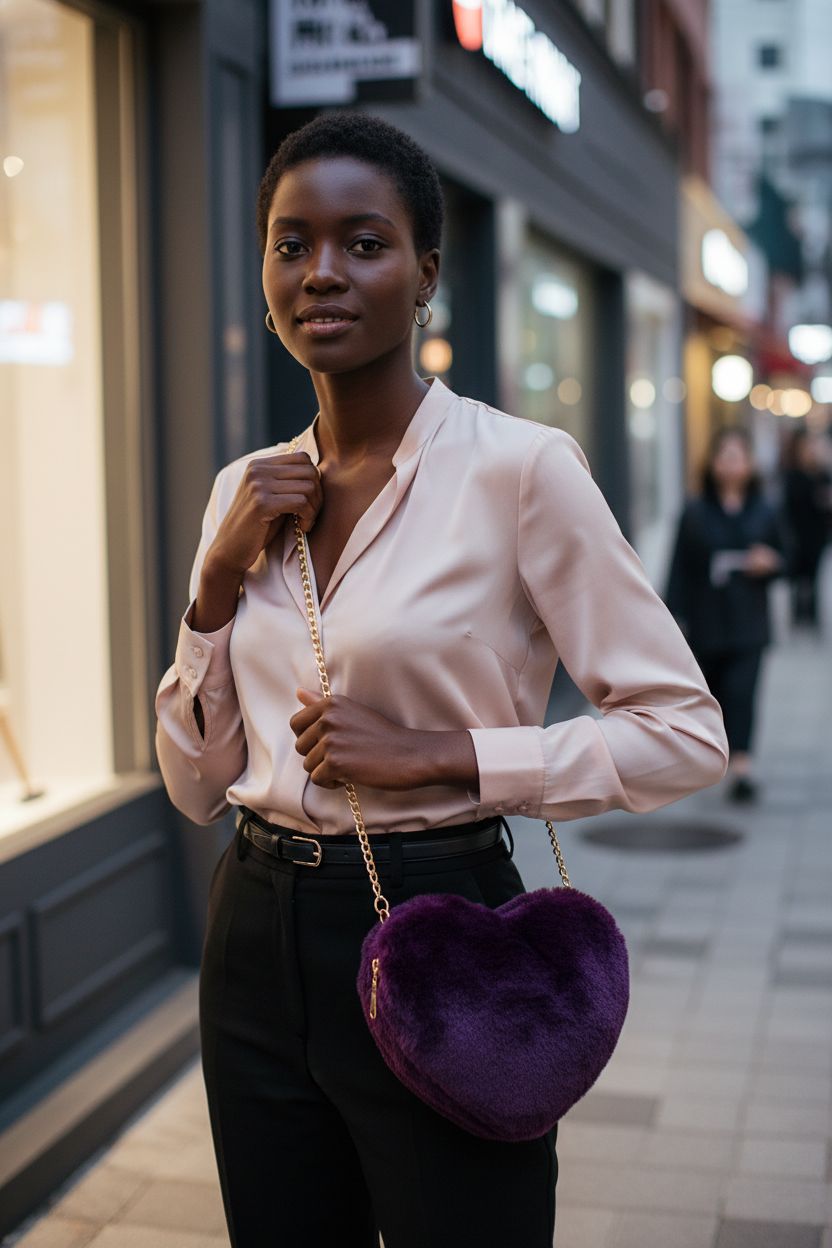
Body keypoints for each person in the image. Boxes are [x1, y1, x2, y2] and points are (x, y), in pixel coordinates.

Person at [154, 111, 729, 1248]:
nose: (320, 271)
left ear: (424, 274)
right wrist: (211, 594)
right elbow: (190, 782)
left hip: (444, 929)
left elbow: (685, 732)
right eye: (290, 243)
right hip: (255, 933)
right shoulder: (245, 489)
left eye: (362, 243)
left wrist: (453, 756)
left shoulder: (520, 471)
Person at [665, 426, 784, 804]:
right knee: (713, 693)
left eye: (738, 456)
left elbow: (788, 557)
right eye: (725, 456)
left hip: (749, 621)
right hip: (706, 621)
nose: (731, 464)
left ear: (750, 464)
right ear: (712, 462)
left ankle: (743, 768)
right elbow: (678, 569)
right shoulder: (695, 511)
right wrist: (671, 620)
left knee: (743, 693)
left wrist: (771, 563)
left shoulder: (765, 510)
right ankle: (713, 758)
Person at [781, 426, 832, 630]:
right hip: (797, 534)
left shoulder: (821, 473)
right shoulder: (793, 474)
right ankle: (798, 615)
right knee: (797, 577)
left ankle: (812, 615)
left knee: (814, 577)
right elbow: (791, 504)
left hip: (818, 535)